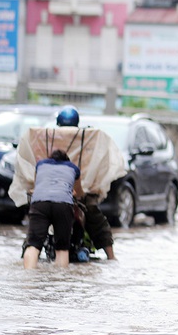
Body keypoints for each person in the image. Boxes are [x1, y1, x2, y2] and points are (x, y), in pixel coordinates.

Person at [55, 105, 116, 260]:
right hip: (76, 190)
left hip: (65, 189)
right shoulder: (84, 139)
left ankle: (28, 252)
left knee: (94, 216)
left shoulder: (54, 137)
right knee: (96, 218)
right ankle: (111, 257)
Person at [23, 149, 85, 269]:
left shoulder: (41, 165)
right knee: (62, 248)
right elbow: (79, 192)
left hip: (40, 203)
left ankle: (28, 279)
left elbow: (37, 185)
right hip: (63, 204)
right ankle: (59, 282)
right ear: (66, 160)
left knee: (33, 245)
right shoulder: (73, 168)